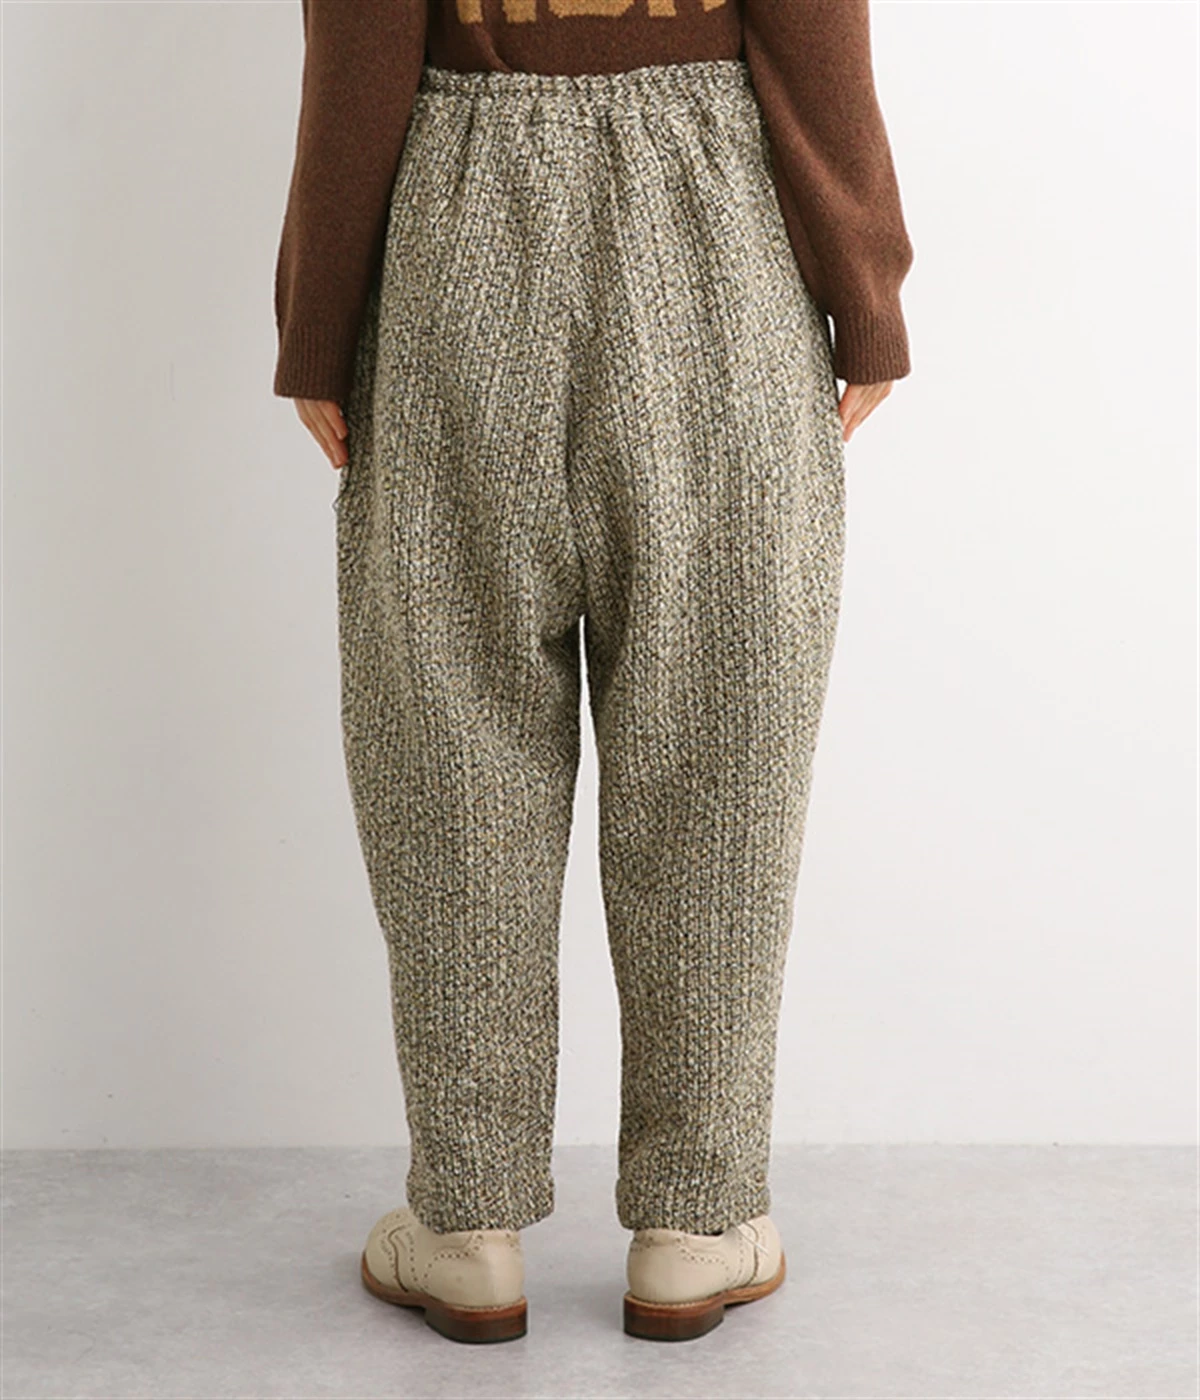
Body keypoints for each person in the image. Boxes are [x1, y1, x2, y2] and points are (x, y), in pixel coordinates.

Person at [273, 0, 913, 1345]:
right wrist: (865, 288)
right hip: (715, 227)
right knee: (719, 740)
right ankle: (696, 1221)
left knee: (449, 741)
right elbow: (809, 23)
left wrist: (318, 321)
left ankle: (466, 1226)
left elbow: (361, 42)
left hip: (459, 223)